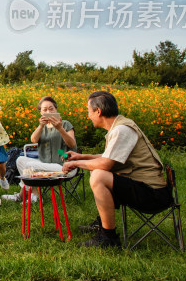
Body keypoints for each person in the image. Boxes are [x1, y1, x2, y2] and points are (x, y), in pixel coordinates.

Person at [62, 90, 170, 248]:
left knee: (99, 175)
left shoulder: (121, 130)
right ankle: (101, 224)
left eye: (88, 111)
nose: (88, 115)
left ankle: (108, 238)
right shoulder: (119, 126)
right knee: (98, 170)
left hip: (153, 194)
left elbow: (105, 164)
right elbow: (109, 157)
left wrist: (76, 164)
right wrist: (81, 157)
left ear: (98, 111)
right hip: (145, 187)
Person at [1, 96, 77, 203]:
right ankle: (34, 194)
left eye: (51, 109)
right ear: (41, 112)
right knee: (20, 160)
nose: (48, 112)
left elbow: (72, 144)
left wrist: (60, 128)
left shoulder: (65, 124)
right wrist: (41, 126)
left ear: (56, 110)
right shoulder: (43, 127)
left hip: (63, 166)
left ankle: (22, 195)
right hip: (45, 163)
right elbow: (33, 139)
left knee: (30, 166)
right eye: (45, 110)